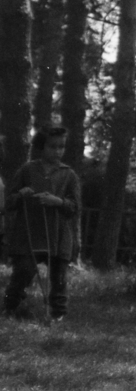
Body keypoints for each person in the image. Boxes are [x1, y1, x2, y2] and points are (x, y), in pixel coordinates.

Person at [3, 126, 80, 322]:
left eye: (61, 147)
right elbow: (9, 202)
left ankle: (57, 314)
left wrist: (59, 202)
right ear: (41, 147)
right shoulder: (27, 170)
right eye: (52, 147)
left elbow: (75, 207)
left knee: (59, 276)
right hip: (30, 230)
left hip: (58, 232)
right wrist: (21, 195)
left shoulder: (68, 175)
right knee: (24, 270)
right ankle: (9, 308)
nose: (58, 151)